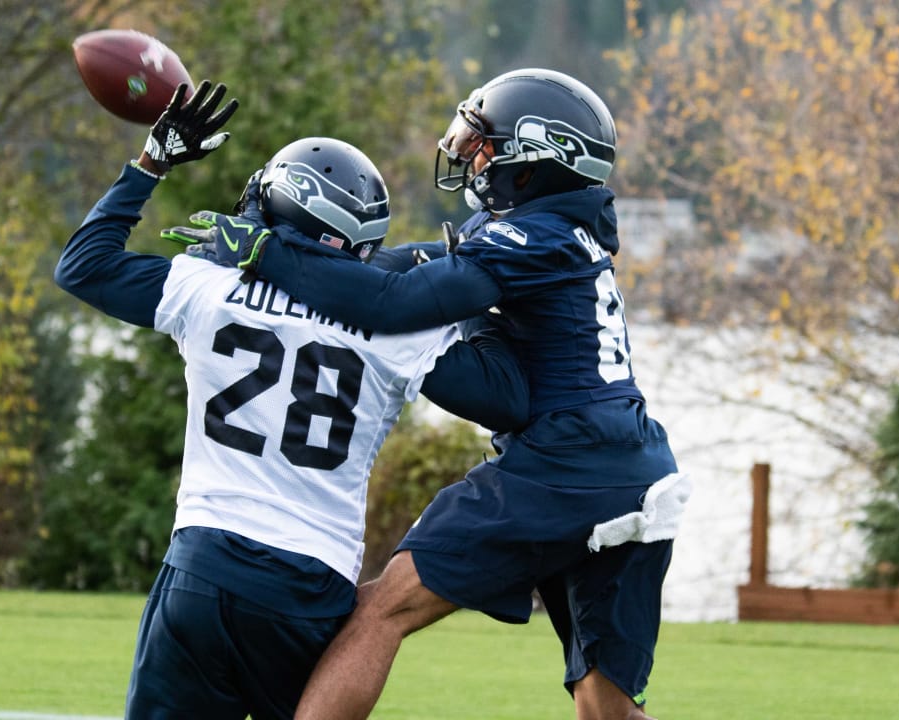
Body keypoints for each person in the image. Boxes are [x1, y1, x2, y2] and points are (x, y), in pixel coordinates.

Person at [198, 68, 691, 720]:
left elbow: (394, 305)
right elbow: (401, 266)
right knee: (607, 708)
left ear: (537, 158)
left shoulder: (533, 236)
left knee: (381, 610)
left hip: (569, 459)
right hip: (634, 464)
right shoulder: (552, 231)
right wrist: (309, 250)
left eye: (486, 144)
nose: (468, 153)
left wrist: (267, 252)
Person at [54, 80, 529, 720]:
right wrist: (472, 296)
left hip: (206, 560)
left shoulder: (209, 284)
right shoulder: (396, 322)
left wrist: (150, 163)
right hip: (309, 583)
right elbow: (506, 400)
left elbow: (82, 267)